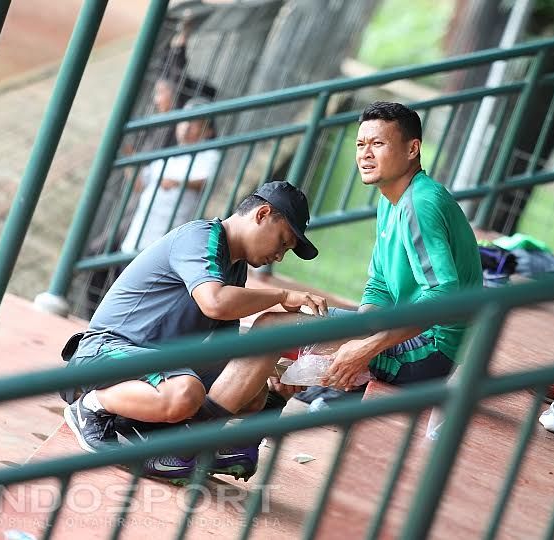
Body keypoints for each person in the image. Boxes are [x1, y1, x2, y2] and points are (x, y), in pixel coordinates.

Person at [62, 181, 327, 481]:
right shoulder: (200, 237)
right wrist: (282, 296)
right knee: (185, 392)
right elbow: (215, 302)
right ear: (262, 214)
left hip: (156, 366)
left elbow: (225, 350)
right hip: (106, 353)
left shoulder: (235, 267)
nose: (279, 256)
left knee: (253, 393)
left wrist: (273, 383)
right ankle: (92, 407)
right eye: (282, 242)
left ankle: (172, 441)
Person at [257, 101, 483, 393]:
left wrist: (365, 348)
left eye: (378, 143)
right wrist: (358, 334)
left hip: (432, 350)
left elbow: (442, 295)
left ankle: (219, 421)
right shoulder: (390, 200)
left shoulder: (420, 203)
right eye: (360, 144)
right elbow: (380, 283)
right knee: (284, 354)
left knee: (271, 332)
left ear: (412, 149)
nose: (365, 153)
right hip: (404, 333)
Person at [121, 98, 221, 253]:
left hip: (165, 245)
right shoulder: (166, 157)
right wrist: (128, 159)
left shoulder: (209, 155)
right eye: (184, 120)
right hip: (136, 240)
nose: (186, 126)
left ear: (208, 131)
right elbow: (139, 185)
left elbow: (205, 183)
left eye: (195, 122)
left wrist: (178, 183)